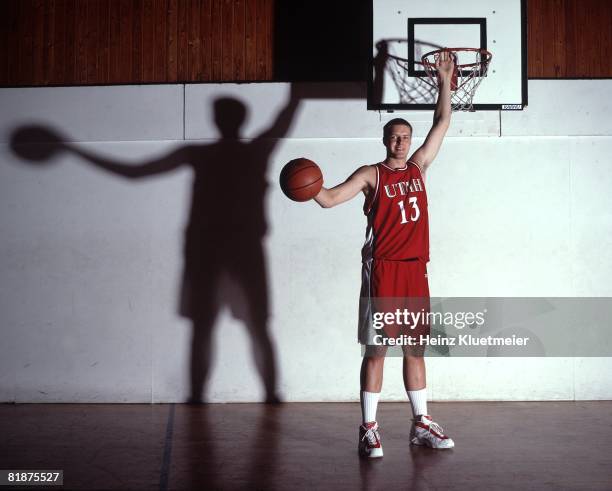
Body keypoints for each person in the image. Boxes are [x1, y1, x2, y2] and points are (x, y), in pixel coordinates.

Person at [314, 51, 456, 457]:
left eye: (405, 137)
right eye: (393, 136)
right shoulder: (370, 174)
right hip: (383, 271)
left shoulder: (418, 167)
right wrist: (310, 189)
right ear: (384, 140)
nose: (400, 141)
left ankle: (420, 424)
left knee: (416, 348)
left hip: (415, 270)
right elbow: (329, 199)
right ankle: (369, 429)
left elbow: (442, 122)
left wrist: (445, 80)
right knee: (377, 350)